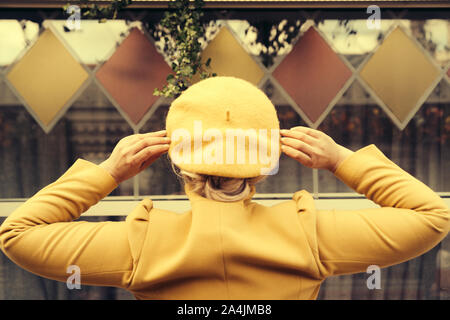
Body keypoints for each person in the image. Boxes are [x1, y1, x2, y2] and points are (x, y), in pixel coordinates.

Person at [0, 76, 448, 300]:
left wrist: (108, 172)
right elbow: (432, 216)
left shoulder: (142, 243)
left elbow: (16, 235)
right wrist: (342, 161)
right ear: (262, 164)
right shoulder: (308, 235)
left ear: (179, 162)